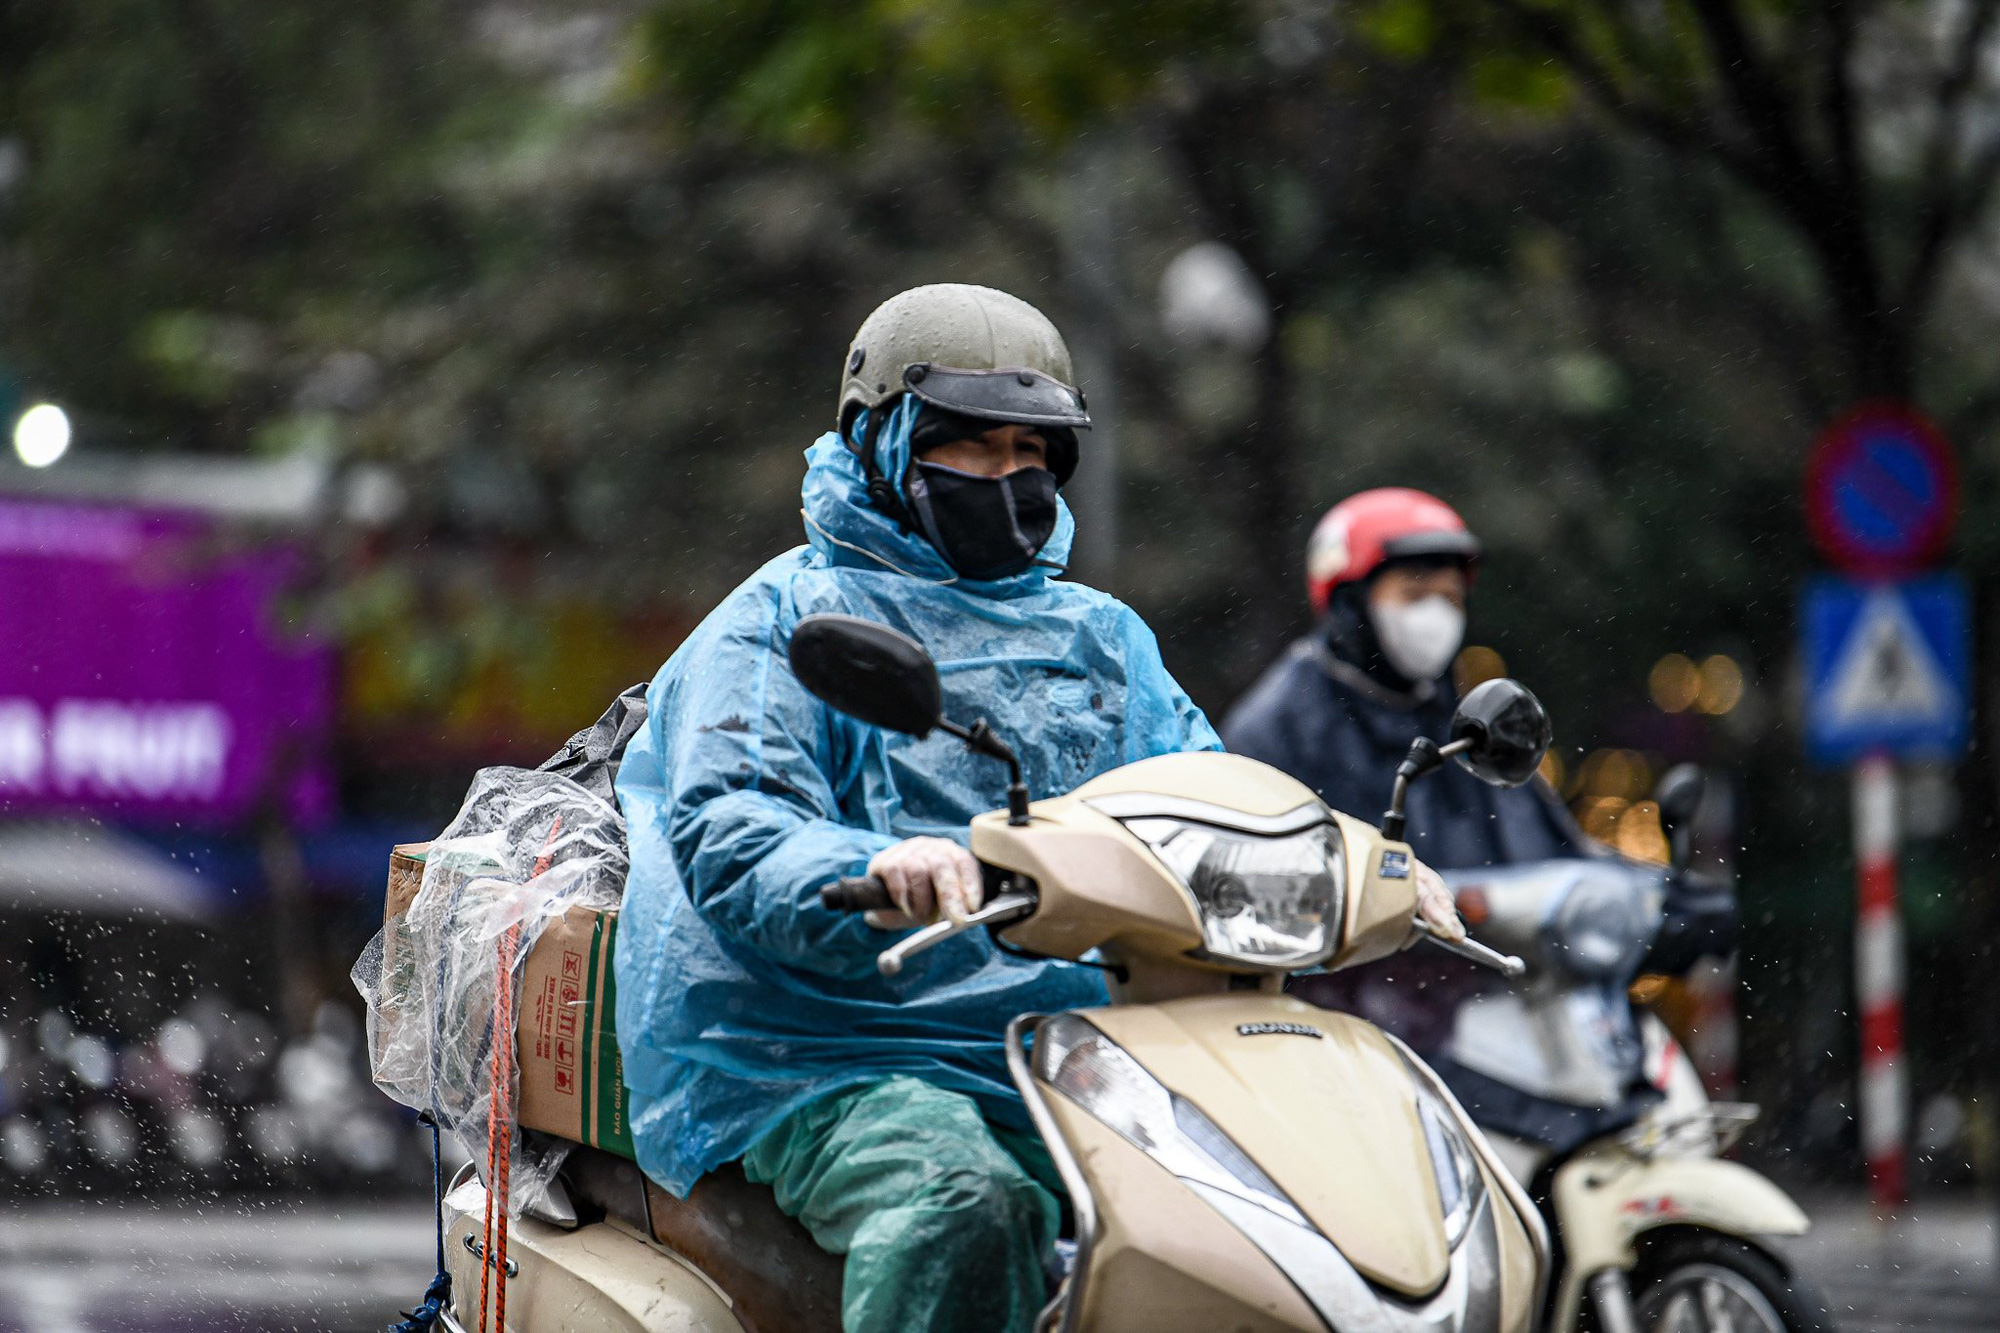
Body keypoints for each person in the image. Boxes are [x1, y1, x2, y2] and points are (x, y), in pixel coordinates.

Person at [614, 287, 1461, 1333]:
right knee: (963, 1203)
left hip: (1074, 1046)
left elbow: (1209, 797)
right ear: (882, 440)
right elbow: (734, 825)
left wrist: (1354, 858)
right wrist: (878, 871)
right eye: (970, 445)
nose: (1007, 475)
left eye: (1031, 447)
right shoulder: (785, 619)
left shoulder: (1101, 639)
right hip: (827, 1055)